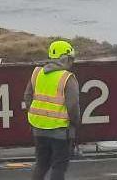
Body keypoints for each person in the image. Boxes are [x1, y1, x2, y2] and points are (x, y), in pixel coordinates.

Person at [24, 40, 81, 180]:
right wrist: (75, 123)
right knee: (59, 166)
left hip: (38, 128)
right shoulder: (68, 78)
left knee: (42, 164)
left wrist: (36, 115)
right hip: (60, 131)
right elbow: (73, 106)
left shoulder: (37, 73)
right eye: (71, 59)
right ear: (65, 58)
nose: (72, 62)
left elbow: (27, 97)